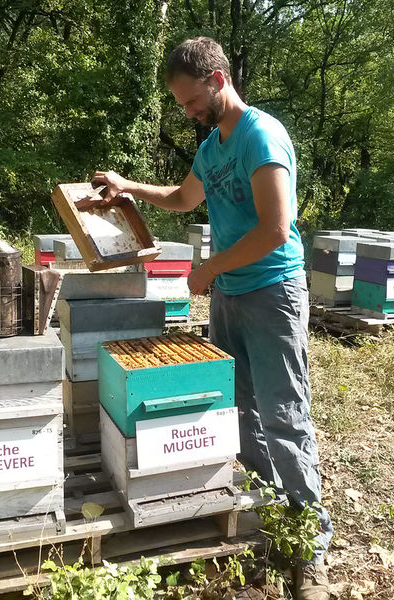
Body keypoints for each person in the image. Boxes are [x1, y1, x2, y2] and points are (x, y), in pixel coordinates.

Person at [92, 36, 332, 600]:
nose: (188, 112)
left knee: (284, 414)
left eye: (191, 100)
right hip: (229, 295)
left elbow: (275, 229)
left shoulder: (261, 137)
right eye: (180, 104)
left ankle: (310, 547)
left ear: (218, 79)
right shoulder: (212, 147)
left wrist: (206, 271)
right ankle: (266, 518)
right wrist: (130, 189)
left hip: (273, 294)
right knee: (241, 413)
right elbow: (182, 198)